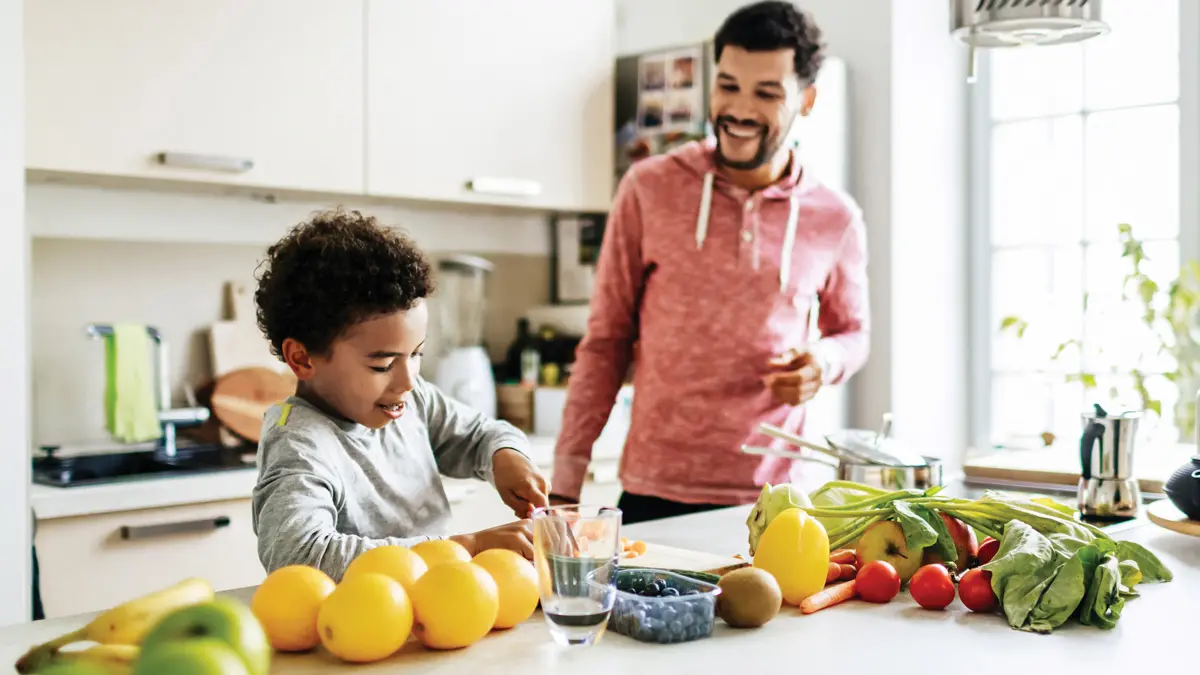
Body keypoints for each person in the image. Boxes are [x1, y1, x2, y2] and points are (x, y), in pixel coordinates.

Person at [550, 1, 870, 524]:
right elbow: (605, 341)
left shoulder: (834, 217)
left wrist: (822, 363)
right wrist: (564, 484)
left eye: (766, 93)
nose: (739, 109)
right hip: (654, 492)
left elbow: (853, 333)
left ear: (806, 99)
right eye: (727, 86)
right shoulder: (648, 188)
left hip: (777, 500)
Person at [250, 208, 550, 581]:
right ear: (302, 358)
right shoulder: (298, 445)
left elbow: (479, 435)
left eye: (417, 354)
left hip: (435, 619)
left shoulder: (413, 400)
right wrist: (468, 547)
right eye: (382, 365)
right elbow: (300, 557)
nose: (408, 380)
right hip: (356, 634)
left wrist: (506, 456)